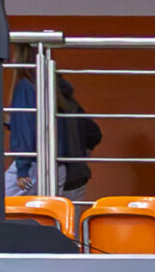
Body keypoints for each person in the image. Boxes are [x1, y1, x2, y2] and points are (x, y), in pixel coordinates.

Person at [5, 44, 101, 199]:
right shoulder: (59, 93)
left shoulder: (26, 87)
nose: (11, 60)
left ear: (22, 58)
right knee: (55, 214)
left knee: (2, 208)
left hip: (36, 166)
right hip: (70, 174)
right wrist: (79, 156)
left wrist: (22, 169)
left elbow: (26, 134)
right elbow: (93, 132)